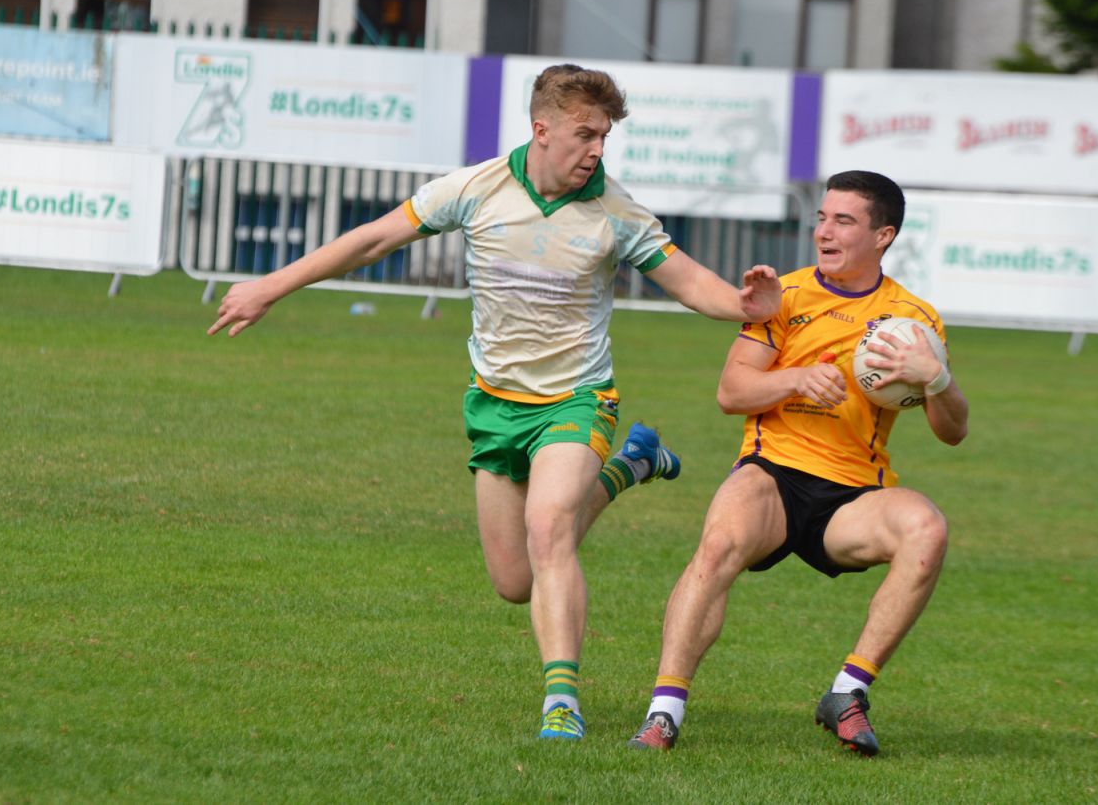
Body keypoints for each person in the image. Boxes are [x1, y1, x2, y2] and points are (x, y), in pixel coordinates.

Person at [208, 63, 783, 741]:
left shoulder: (616, 212)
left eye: (604, 137)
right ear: (541, 130)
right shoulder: (475, 188)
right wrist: (272, 285)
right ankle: (632, 465)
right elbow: (372, 239)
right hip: (494, 406)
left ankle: (561, 700)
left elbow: (688, 281)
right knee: (516, 578)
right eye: (584, 134)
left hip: (576, 400)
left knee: (548, 530)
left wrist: (743, 305)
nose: (597, 149)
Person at [627, 170, 968, 756]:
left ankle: (847, 692)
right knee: (718, 547)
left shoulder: (913, 320)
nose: (825, 232)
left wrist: (936, 378)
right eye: (822, 218)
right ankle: (664, 712)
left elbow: (953, 430)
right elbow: (732, 392)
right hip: (773, 474)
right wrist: (795, 379)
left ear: (883, 235)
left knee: (926, 527)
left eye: (843, 221)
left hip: (854, 495)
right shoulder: (783, 296)